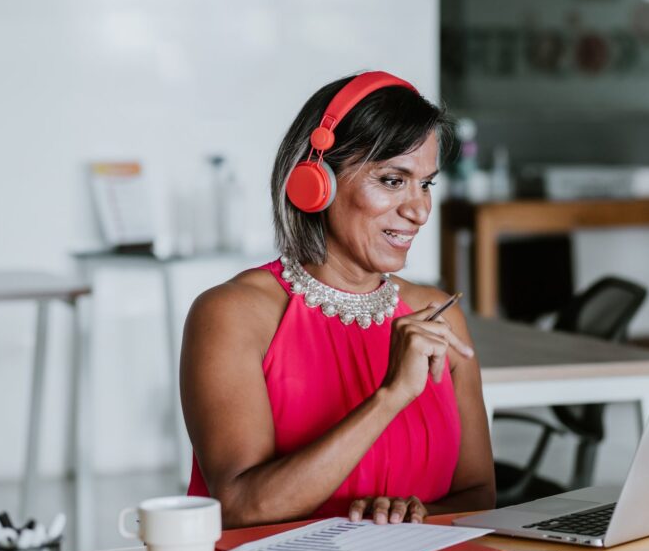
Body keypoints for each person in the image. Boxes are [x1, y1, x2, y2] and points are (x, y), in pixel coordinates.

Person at [181, 71, 496, 528]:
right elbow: (240, 507)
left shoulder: (438, 314)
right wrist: (391, 396)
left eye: (425, 184)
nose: (420, 210)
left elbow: (479, 495)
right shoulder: (233, 315)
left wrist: (417, 518)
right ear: (317, 180)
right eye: (393, 180)